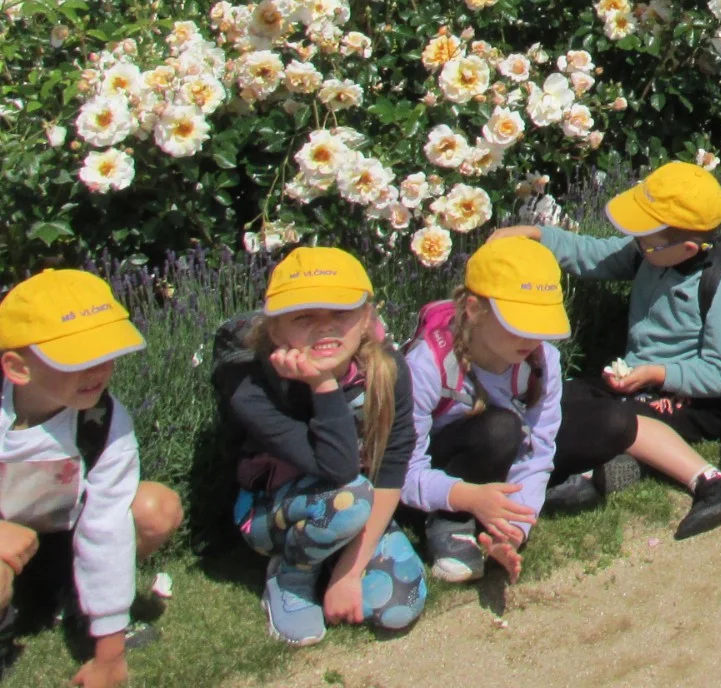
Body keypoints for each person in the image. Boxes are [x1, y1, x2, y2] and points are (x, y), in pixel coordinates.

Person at [492, 162, 721, 542]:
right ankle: (609, 467)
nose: (635, 241)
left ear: (686, 248)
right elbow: (592, 253)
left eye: (644, 237)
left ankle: (712, 481)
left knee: (618, 417)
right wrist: (537, 235)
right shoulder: (651, 253)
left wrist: (657, 374)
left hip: (696, 399)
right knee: (558, 397)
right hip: (638, 380)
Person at [219, 247, 425, 646]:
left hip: (353, 504)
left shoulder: (387, 370)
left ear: (366, 319)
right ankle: (291, 574)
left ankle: (332, 559)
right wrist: (323, 384)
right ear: (276, 329)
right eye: (304, 317)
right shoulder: (251, 387)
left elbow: (392, 466)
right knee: (349, 498)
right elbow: (338, 467)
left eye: (341, 314)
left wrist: (350, 573)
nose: (325, 328)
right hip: (271, 512)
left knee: (400, 604)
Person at [0, 271, 182, 687]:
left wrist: (110, 655)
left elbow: (106, 528)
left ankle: (80, 604)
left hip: (60, 540)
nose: (99, 371)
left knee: (155, 507)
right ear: (18, 368)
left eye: (106, 353)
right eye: (79, 360)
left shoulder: (103, 422)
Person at [401, 237, 569, 585]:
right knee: (500, 428)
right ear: (475, 309)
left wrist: (514, 530)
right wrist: (469, 497)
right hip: (429, 474)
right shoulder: (426, 364)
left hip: (489, 462)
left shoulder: (543, 361)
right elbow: (400, 472)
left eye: (541, 324)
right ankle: (449, 522)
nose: (533, 338)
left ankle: (490, 512)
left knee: (603, 423)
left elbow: (537, 453)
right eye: (520, 323)